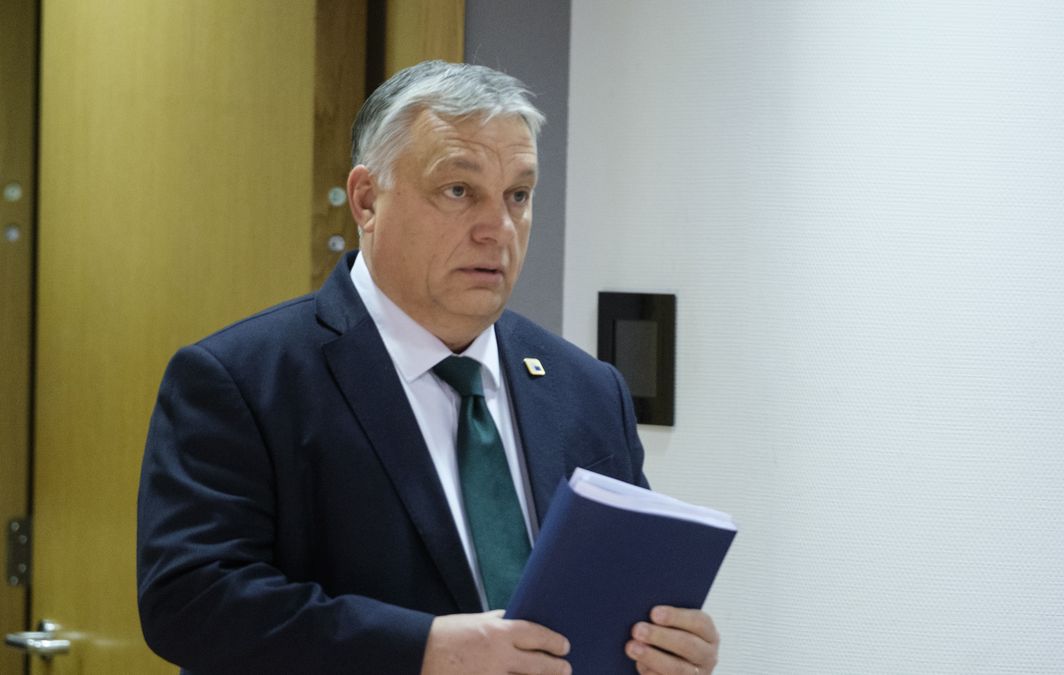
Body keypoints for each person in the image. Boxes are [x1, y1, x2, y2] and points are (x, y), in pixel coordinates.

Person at [137, 60, 720, 674]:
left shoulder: (589, 390)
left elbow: (618, 598)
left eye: (518, 196)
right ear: (366, 199)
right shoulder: (242, 380)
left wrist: (668, 643)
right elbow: (190, 603)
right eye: (459, 191)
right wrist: (423, 650)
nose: (497, 229)